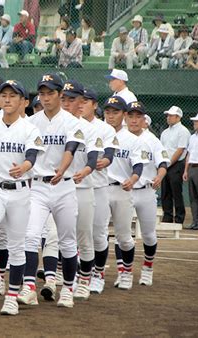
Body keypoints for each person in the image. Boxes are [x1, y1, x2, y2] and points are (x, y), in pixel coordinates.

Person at [0, 79, 44, 315]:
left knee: (17, 247)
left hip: (20, 190)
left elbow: (32, 156)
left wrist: (24, 167)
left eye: (13, 95)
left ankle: (12, 296)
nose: (6, 99)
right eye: (3, 94)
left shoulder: (30, 129)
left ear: (23, 102)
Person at [18, 74, 82, 308]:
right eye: (42, 93)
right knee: (31, 236)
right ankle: (29, 287)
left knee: (67, 241)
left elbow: (71, 148)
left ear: (60, 95)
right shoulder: (31, 122)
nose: (45, 98)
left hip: (63, 186)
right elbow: (29, 153)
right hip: (38, 186)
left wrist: (62, 169)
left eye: (50, 93)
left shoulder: (72, 121)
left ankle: (67, 290)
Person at [60, 80, 105, 301]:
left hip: (84, 188)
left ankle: (85, 279)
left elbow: (94, 158)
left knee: (84, 236)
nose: (67, 103)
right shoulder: (56, 125)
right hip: (60, 187)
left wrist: (86, 171)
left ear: (81, 102)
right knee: (58, 236)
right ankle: (63, 276)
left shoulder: (90, 129)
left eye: (72, 98)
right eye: (64, 98)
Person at [100, 96, 147, 291]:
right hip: (101, 188)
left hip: (122, 189)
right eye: (108, 112)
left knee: (124, 237)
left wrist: (134, 179)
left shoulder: (132, 139)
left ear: (124, 115)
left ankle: (126, 272)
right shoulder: (98, 133)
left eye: (116, 112)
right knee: (98, 235)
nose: (111, 116)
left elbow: (138, 165)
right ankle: (97, 274)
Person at [125, 101, 169, 287]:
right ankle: (125, 272)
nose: (134, 120)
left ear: (144, 120)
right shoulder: (119, 137)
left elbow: (163, 163)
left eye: (138, 116)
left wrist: (159, 176)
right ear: (125, 117)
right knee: (123, 235)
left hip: (146, 191)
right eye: (131, 116)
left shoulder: (152, 140)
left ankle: (147, 268)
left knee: (149, 235)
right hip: (124, 192)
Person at [77, 89, 118, 295]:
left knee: (98, 233)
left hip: (98, 186)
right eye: (79, 100)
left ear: (94, 105)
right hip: (75, 187)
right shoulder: (69, 123)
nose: (82, 104)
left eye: (86, 101)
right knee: (77, 234)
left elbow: (109, 152)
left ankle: (98, 274)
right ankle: (80, 273)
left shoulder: (104, 128)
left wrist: (106, 160)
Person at [160, 106, 191, 224]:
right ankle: (167, 217)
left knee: (176, 192)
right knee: (165, 192)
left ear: (178, 117)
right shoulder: (165, 132)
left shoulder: (183, 131)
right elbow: (162, 149)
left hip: (176, 164)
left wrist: (168, 163)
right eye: (167, 115)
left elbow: (180, 150)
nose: (168, 117)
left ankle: (179, 217)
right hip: (166, 164)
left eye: (171, 115)